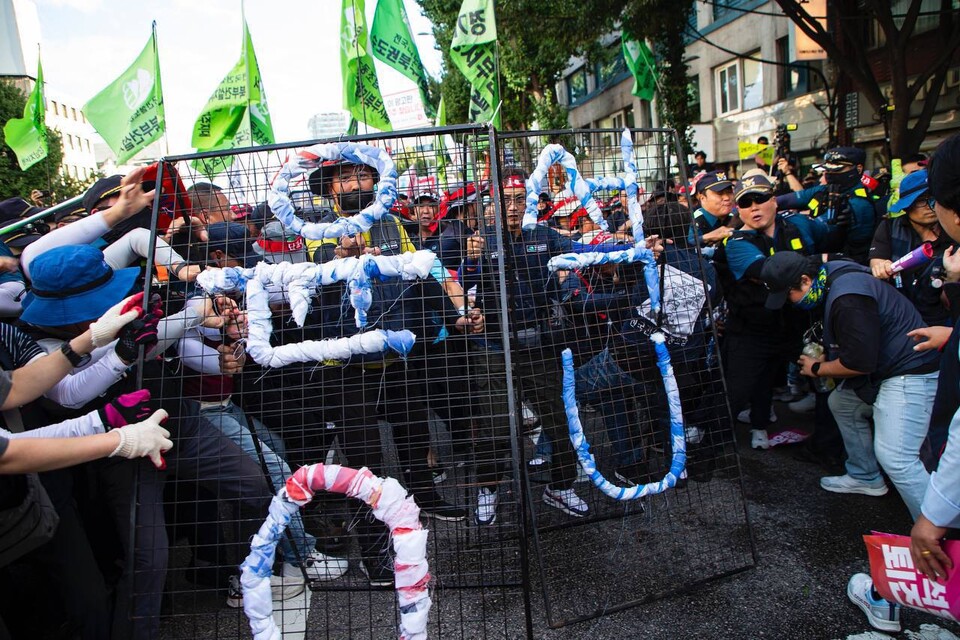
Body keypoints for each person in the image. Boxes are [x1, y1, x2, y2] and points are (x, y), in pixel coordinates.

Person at [761, 251, 939, 521]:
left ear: (806, 280)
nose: (790, 302)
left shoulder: (847, 299)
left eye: (788, 295)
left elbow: (860, 363)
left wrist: (817, 368)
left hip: (909, 372)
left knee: (897, 458)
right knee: (842, 402)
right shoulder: (832, 274)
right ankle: (865, 475)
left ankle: (939, 535)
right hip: (890, 367)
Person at [714, 174, 829, 445]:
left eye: (761, 199)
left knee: (824, 380)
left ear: (774, 201)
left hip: (798, 325)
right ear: (738, 210)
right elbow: (771, 272)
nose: (755, 207)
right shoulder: (737, 243)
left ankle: (827, 445)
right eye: (746, 202)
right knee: (736, 391)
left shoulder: (800, 225)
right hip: (751, 329)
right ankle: (709, 451)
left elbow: (831, 237)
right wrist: (818, 261)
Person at [869, 169, 951, 326]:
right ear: (906, 206)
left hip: (941, 320)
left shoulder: (952, 229)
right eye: (921, 200)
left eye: (933, 198)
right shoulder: (889, 227)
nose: (929, 206)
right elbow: (877, 261)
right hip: (900, 317)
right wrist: (882, 267)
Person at [776, 147, 884, 263]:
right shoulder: (825, 190)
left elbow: (821, 228)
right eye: (827, 169)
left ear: (858, 169)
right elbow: (785, 200)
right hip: (825, 256)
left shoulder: (859, 203)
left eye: (837, 170)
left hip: (848, 263)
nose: (830, 174)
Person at [688, 170, 736, 247]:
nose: (727, 198)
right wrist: (705, 238)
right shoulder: (692, 221)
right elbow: (684, 247)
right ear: (702, 198)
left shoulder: (737, 217)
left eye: (729, 192)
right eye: (719, 193)